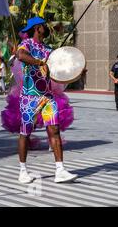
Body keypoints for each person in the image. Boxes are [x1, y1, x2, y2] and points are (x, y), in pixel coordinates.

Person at [15, 17, 77, 184]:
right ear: (37, 28)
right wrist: (39, 62)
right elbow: (20, 55)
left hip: (47, 97)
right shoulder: (26, 44)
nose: (46, 28)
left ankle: (60, 170)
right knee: (25, 133)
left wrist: (75, 72)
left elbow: (57, 72)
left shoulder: (49, 49)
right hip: (29, 97)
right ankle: (22, 171)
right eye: (43, 25)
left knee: (54, 130)